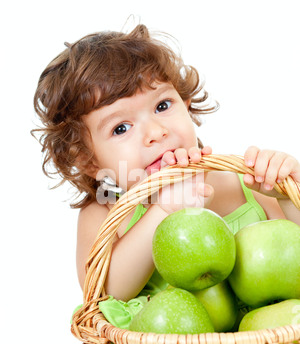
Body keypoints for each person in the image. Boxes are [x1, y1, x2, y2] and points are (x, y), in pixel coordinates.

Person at [32, 24, 300, 327]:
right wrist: (164, 210)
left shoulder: (246, 183)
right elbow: (105, 293)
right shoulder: (104, 212)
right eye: (121, 128)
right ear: (89, 161)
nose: (156, 133)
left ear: (186, 107)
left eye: (162, 105)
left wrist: (288, 195)